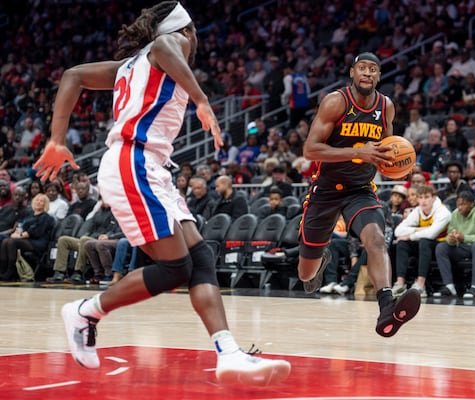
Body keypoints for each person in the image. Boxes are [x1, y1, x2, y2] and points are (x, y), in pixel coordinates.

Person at [33, 2, 290, 384]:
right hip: (132, 161)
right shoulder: (169, 45)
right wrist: (202, 100)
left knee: (200, 256)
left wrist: (57, 138)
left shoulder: (130, 65)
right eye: (191, 32)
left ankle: (228, 354)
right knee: (175, 268)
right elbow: (167, 46)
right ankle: (86, 311)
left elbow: (73, 76)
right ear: (185, 31)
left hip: (151, 167)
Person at [298, 52, 420, 338]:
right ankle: (321, 260)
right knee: (306, 274)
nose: (367, 73)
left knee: (376, 238)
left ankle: (386, 306)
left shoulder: (386, 106)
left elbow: (387, 148)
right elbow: (310, 150)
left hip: (360, 190)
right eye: (362, 68)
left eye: (373, 69)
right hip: (326, 190)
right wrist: (358, 152)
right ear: (352, 72)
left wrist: (393, 163)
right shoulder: (335, 102)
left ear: (378, 76)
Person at [433, 191, 475, 299]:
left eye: (463, 204)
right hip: (468, 247)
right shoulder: (455, 214)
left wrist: (465, 237)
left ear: (471, 204)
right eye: (458, 204)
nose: (459, 208)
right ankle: (449, 286)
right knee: (441, 247)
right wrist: (451, 239)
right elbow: (450, 233)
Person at [393, 185, 451, 298]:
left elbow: (431, 234)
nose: (423, 201)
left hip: (442, 246)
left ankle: (420, 285)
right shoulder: (418, 210)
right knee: (402, 243)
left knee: (424, 241)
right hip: (424, 245)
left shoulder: (443, 211)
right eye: (420, 197)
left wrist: (410, 236)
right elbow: (398, 231)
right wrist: (418, 229)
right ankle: (400, 284)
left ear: (434, 198)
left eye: (426, 197)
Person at [0, 194, 55, 281]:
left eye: (42, 201)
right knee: (5, 241)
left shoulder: (46, 217)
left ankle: (11, 272)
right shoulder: (29, 216)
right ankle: (3, 270)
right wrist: (16, 233)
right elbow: (20, 227)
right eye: (37, 200)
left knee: (11, 242)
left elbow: (37, 232)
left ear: (45, 204)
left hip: (38, 242)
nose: (39, 202)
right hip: (25, 239)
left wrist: (19, 236)